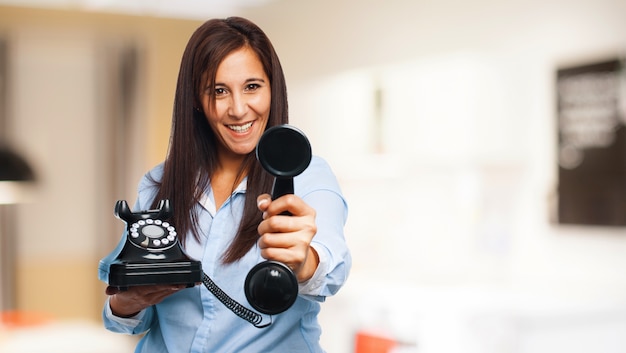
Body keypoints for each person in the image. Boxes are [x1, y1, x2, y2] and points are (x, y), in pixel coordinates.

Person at [98, 16, 351, 353]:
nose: (237, 109)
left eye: (252, 86)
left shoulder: (307, 176)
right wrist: (128, 301)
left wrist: (302, 262)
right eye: (219, 91)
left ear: (273, 89)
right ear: (196, 101)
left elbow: (332, 265)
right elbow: (125, 317)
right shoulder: (158, 183)